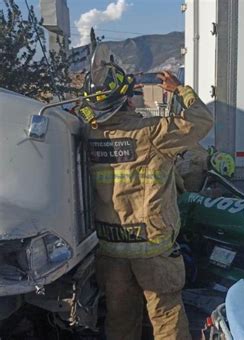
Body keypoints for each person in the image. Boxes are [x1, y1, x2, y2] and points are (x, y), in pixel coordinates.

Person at [82, 61, 213, 340]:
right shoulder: (152, 133)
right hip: (152, 248)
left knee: (120, 317)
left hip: (110, 248)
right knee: (166, 316)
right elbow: (202, 121)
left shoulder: (88, 134)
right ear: (127, 99)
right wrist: (179, 90)